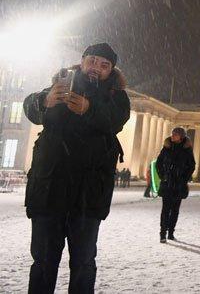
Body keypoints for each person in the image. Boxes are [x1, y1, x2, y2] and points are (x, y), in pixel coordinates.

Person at [23, 43, 131, 294]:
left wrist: (89, 109)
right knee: (43, 262)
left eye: (104, 65)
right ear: (82, 61)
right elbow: (30, 107)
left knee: (83, 264)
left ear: (111, 70)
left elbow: (116, 120)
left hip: (88, 195)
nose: (96, 68)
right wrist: (44, 101)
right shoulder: (62, 84)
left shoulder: (116, 96)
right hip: (49, 189)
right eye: (92, 61)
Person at [156, 127, 196, 243]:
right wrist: (163, 176)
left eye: (175, 134)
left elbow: (191, 165)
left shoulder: (187, 149)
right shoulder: (167, 147)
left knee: (175, 210)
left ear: (181, 136)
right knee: (165, 209)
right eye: (172, 134)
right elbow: (159, 163)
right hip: (167, 182)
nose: (172, 136)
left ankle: (171, 233)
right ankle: (162, 233)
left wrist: (184, 178)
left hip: (179, 184)